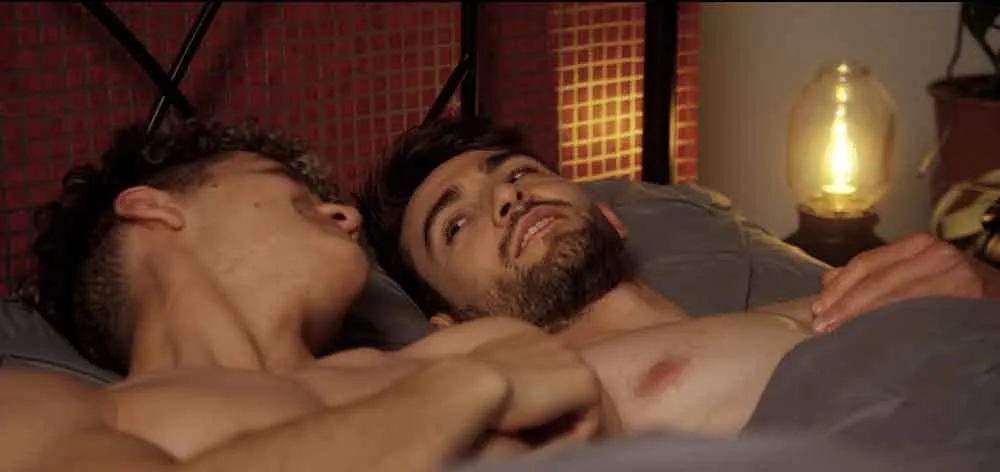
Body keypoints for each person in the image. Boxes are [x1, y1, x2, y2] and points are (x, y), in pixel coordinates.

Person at [0, 118, 608, 472]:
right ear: (154, 209)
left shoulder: (477, 346)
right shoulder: (47, 406)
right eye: (289, 191)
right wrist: (456, 396)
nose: (345, 215)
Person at [358, 116, 1000, 437]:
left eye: (519, 172)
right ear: (450, 327)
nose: (507, 196)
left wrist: (981, 281)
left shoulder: (830, 297)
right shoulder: (527, 406)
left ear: (609, 218)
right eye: (456, 225)